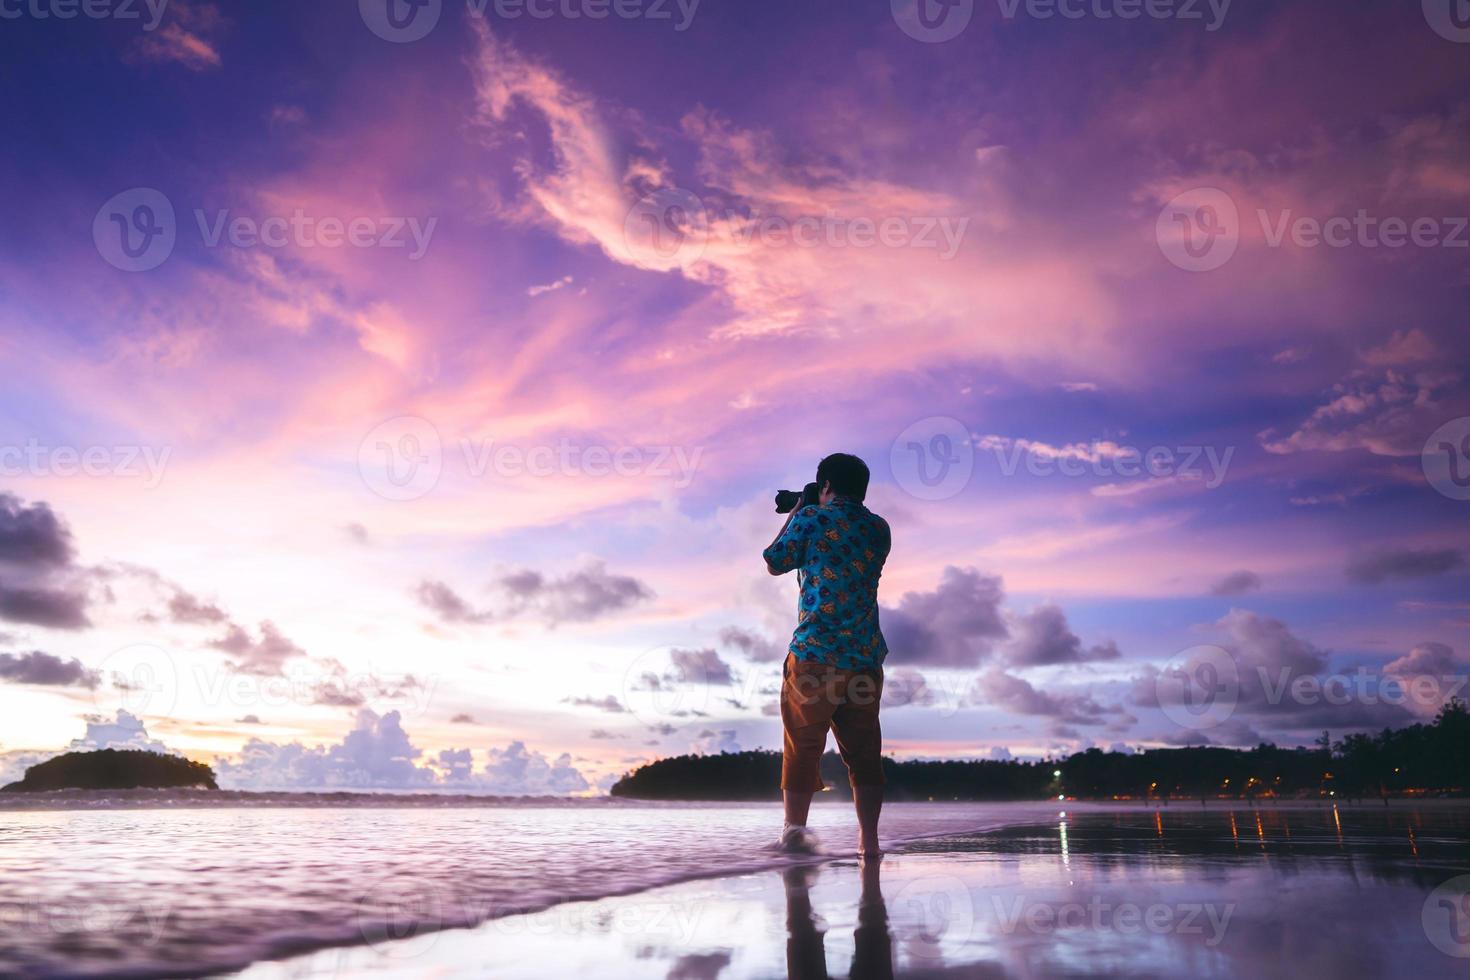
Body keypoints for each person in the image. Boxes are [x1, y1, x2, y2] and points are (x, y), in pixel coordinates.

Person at [763, 453, 891, 860]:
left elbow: (774, 560)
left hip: (816, 652)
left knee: (802, 747)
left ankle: (794, 836)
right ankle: (868, 844)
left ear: (825, 485)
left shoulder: (811, 519)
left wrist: (799, 510)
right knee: (865, 755)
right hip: (865, 657)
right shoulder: (880, 529)